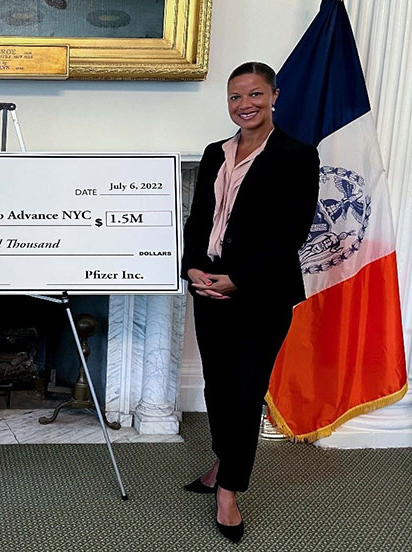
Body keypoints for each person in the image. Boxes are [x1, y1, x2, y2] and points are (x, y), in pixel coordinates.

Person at [180, 62, 319, 542]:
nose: (245, 105)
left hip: (259, 294)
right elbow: (199, 220)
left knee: (244, 391)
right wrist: (192, 267)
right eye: (236, 97)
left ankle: (229, 493)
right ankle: (223, 463)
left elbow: (289, 235)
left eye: (255, 95)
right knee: (218, 389)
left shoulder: (298, 156)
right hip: (208, 290)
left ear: (275, 96)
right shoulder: (214, 153)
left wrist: (237, 279)